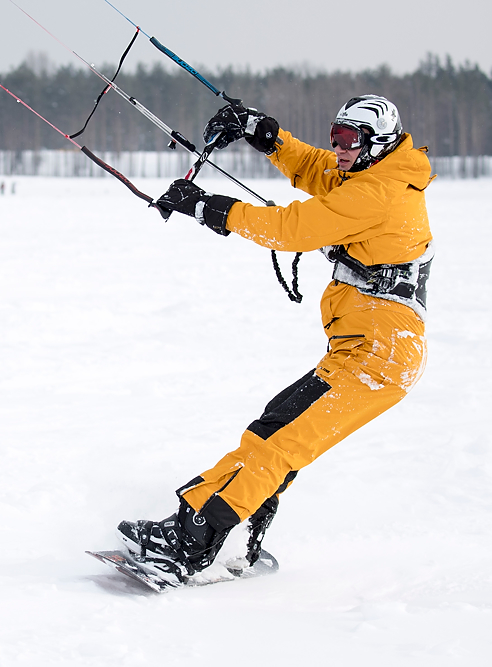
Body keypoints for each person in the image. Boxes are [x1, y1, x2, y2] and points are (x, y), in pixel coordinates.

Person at [118, 95, 435, 585]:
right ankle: (242, 538)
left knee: (279, 444)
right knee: (272, 430)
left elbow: (291, 229)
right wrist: (265, 135)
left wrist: (207, 207)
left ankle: (189, 542)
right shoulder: (373, 173)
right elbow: (316, 169)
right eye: (336, 135)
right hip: (365, 350)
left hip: (379, 357)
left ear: (378, 143)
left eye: (350, 140)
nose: (338, 147)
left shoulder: (378, 193)